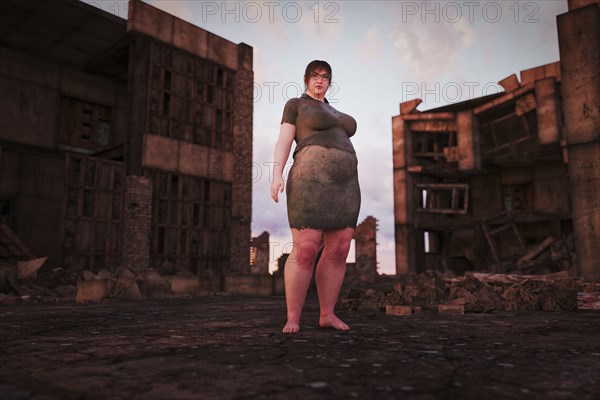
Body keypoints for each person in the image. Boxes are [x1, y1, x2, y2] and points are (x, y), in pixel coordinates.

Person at [270, 60, 360, 334]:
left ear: (330, 81)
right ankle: (293, 318)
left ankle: (327, 315)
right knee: (306, 247)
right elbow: (284, 140)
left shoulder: (335, 111)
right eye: (315, 76)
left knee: (340, 248)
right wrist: (277, 174)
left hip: (345, 185)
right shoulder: (296, 105)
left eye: (325, 77)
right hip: (310, 180)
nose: (320, 80)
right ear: (306, 79)